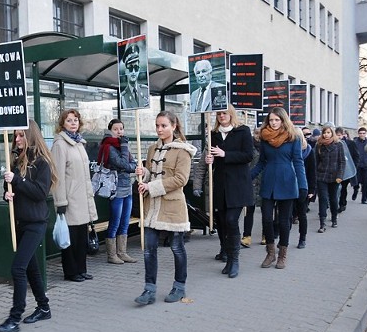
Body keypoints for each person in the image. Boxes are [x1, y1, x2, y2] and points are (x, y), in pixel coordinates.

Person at [0, 120, 57, 332]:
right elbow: (10, 187)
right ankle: (44, 306)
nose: (17, 139)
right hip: (20, 222)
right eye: (15, 135)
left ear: (30, 136)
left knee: (17, 268)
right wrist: (7, 193)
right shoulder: (16, 160)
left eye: (21, 135)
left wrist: (18, 181)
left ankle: (14, 317)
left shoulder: (42, 163)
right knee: (31, 268)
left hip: (36, 223)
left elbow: (40, 193)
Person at [134, 110, 196, 304]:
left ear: (173, 126)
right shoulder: (152, 149)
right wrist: (143, 173)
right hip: (151, 207)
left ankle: (179, 287)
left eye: (164, 125)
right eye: (157, 125)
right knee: (148, 249)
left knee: (177, 248)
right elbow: (152, 174)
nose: (159, 129)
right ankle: (149, 290)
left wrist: (150, 186)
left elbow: (181, 179)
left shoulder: (183, 151)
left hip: (173, 208)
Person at [250, 107, 307, 270]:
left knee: (284, 220)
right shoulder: (265, 138)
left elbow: (298, 161)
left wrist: (303, 185)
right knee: (266, 219)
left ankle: (282, 254)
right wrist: (248, 176)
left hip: (287, 180)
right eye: (271, 120)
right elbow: (261, 162)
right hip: (269, 181)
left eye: (277, 120)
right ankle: (270, 252)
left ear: (283, 120)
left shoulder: (293, 137)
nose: (274, 123)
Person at [203, 105, 254, 278]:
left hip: (238, 185)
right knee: (223, 222)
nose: (221, 116)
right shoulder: (213, 135)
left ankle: (234, 260)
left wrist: (226, 154)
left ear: (231, 114)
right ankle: (227, 255)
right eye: (219, 114)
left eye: (224, 113)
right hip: (221, 185)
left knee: (232, 220)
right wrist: (210, 159)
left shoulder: (243, 131)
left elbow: (248, 156)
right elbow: (214, 161)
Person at [51, 109, 98, 282]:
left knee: (81, 237)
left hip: (82, 199)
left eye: (76, 120)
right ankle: (71, 272)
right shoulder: (60, 145)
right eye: (69, 120)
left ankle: (81, 269)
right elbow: (58, 176)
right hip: (70, 200)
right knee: (70, 238)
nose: (73, 123)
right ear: (62, 124)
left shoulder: (79, 143)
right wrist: (60, 201)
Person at [97, 119, 137, 264]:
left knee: (125, 221)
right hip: (116, 188)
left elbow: (133, 164)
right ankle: (112, 255)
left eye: (121, 128)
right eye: (116, 129)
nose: (119, 131)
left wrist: (129, 165)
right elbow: (124, 164)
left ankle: (122, 252)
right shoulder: (109, 146)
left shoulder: (122, 145)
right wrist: (125, 148)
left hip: (128, 187)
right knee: (115, 221)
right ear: (110, 131)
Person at [314, 125, 345, 233]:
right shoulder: (319, 145)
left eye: (328, 132)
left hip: (334, 176)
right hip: (321, 176)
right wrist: (315, 175)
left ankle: (334, 218)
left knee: (333, 198)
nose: (326, 135)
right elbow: (316, 162)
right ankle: (322, 223)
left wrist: (340, 175)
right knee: (322, 199)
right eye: (324, 132)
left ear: (332, 133)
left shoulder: (338, 145)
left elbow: (342, 162)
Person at [293, 128, 316, 248]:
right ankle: (282, 239)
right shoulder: (289, 150)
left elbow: (312, 172)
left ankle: (302, 238)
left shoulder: (308, 151)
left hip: (304, 187)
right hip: (290, 186)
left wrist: (312, 190)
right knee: (287, 215)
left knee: (302, 214)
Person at [336, 127, 359, 213]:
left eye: (339, 135)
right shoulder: (333, 143)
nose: (338, 137)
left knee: (343, 188)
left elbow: (356, 156)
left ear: (343, 135)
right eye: (337, 135)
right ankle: (336, 203)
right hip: (337, 170)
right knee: (337, 188)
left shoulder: (351, 143)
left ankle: (342, 203)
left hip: (347, 170)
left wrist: (353, 167)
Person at [120, 43, 150, 109]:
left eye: (136, 68)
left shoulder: (145, 91)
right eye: (130, 68)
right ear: (125, 71)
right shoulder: (122, 97)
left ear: (139, 70)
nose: (133, 72)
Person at [353, 127, 367, 204]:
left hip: (366, 165)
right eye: (360, 133)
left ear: (366, 134)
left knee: (365, 183)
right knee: (356, 181)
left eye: (363, 133)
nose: (362, 135)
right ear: (358, 134)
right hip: (357, 165)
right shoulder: (355, 142)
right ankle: (355, 190)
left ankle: (364, 199)